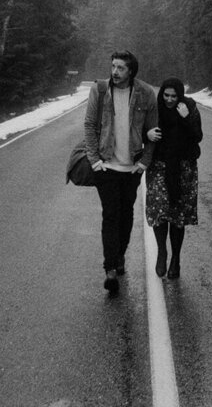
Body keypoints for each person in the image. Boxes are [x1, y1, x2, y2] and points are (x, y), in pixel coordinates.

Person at [84, 50, 160, 294]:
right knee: (110, 214)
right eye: (113, 66)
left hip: (132, 168)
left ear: (131, 71)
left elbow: (154, 131)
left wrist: (144, 163)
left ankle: (119, 256)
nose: (115, 72)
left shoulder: (146, 93)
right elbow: (89, 125)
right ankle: (110, 269)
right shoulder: (99, 90)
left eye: (121, 68)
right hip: (106, 166)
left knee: (126, 215)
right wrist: (95, 161)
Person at [145, 77, 203, 279]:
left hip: (183, 167)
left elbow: (197, 136)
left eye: (174, 96)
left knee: (178, 216)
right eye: (166, 95)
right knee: (160, 211)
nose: (169, 100)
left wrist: (186, 118)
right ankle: (162, 252)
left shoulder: (190, 108)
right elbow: (142, 131)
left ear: (180, 96)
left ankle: (176, 258)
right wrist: (147, 134)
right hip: (159, 165)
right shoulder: (155, 109)